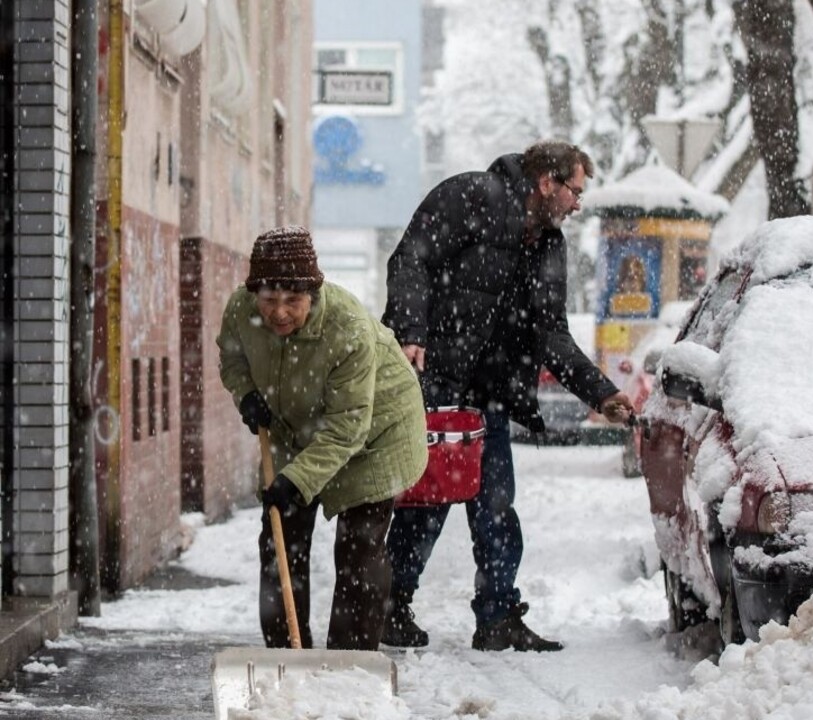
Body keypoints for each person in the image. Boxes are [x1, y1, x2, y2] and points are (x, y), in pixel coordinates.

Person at [381, 140, 634, 652]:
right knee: (426, 502)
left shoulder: (549, 244)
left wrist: (601, 394)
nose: (578, 203)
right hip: (437, 384)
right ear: (547, 182)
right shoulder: (470, 196)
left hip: (490, 394)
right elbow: (411, 260)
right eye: (575, 191)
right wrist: (411, 331)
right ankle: (390, 605)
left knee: (496, 506)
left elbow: (550, 334)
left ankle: (497, 617)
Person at [217, 225, 428, 651]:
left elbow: (349, 424)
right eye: (269, 300)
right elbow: (232, 357)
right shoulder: (242, 310)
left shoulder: (346, 327)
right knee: (279, 542)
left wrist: (298, 481)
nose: (279, 313)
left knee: (359, 547)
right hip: (293, 428)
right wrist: (247, 396)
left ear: (313, 293)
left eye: (292, 301)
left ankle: (349, 665)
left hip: (376, 434)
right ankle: (288, 653)